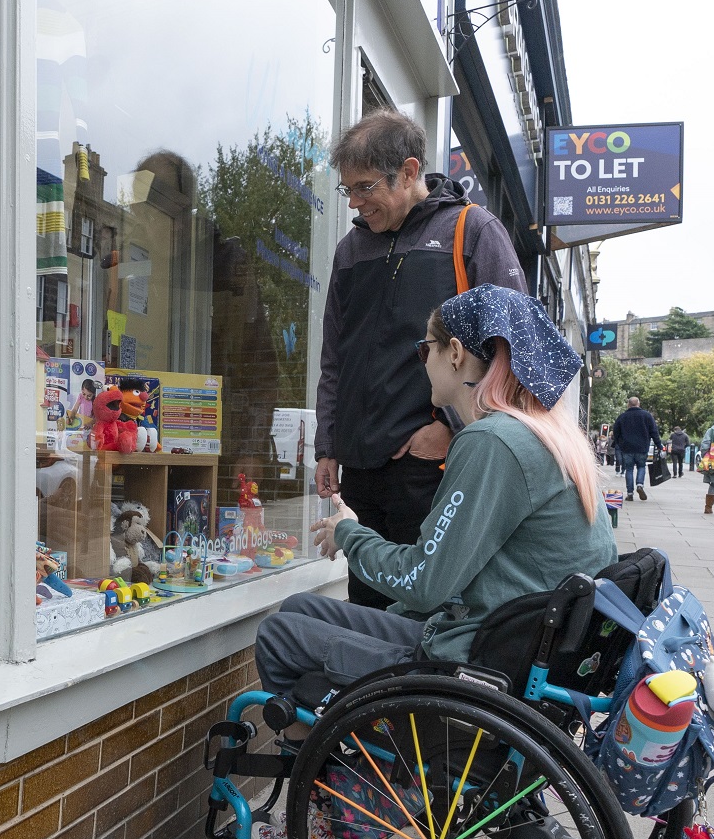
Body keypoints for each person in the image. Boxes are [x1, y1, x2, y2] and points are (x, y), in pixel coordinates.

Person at [254, 284, 615, 707]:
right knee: (303, 607)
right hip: (504, 648)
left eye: (426, 350)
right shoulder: (544, 435)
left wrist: (350, 534)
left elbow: (423, 584)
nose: (422, 362)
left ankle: (325, 766)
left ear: (456, 353)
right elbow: (446, 578)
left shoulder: (494, 442)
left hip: (473, 671)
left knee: (278, 635)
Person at [314, 109, 528, 609]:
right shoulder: (351, 250)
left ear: (409, 173)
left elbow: (517, 347)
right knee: (365, 605)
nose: (355, 202)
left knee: (425, 609)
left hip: (431, 464)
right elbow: (334, 357)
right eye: (348, 190)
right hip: (361, 467)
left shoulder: (471, 232)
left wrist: (454, 429)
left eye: (365, 187)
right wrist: (329, 444)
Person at [611, 396, 662, 501]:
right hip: (642, 447)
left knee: (629, 469)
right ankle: (640, 484)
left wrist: (619, 443)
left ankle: (630, 493)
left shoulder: (622, 417)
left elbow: (616, 432)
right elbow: (654, 432)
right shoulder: (647, 416)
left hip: (627, 448)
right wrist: (659, 444)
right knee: (641, 467)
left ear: (628, 404)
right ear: (638, 404)